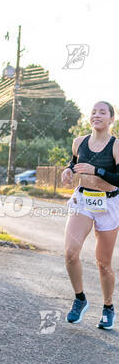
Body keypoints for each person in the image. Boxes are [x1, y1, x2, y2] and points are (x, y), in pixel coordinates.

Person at [62, 101, 119, 330]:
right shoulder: (79, 142)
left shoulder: (116, 146)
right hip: (84, 200)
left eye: (102, 112)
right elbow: (74, 163)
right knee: (70, 253)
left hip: (109, 203)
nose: (96, 115)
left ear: (111, 119)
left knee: (103, 264)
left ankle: (108, 306)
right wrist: (68, 170)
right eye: (93, 111)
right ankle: (80, 299)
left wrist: (97, 171)